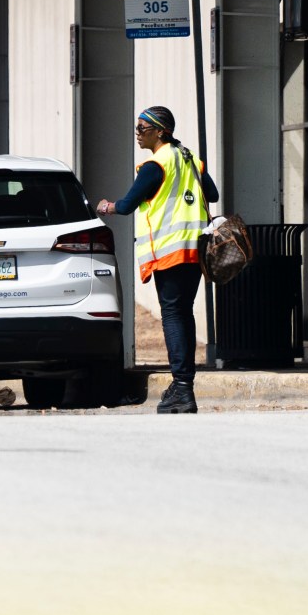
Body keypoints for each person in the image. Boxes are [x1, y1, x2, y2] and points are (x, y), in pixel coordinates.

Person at [95, 106, 219, 414]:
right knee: (182, 313)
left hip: (170, 251)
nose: (137, 134)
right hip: (196, 251)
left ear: (160, 131)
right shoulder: (190, 159)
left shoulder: (155, 165)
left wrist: (107, 206)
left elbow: (126, 206)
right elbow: (212, 194)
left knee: (173, 316)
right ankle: (182, 386)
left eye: (142, 128)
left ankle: (182, 388)